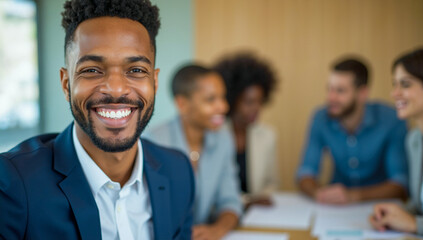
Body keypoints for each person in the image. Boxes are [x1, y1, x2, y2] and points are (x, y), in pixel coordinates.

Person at [0, 0, 195, 239]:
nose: (115, 90)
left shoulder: (179, 172)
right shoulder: (13, 183)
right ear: (66, 83)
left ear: (154, 82)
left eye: (135, 70)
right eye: (92, 70)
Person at [144, 64, 242, 240]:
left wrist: (217, 230)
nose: (223, 107)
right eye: (211, 100)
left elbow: (230, 200)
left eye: (223, 97)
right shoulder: (154, 142)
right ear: (182, 104)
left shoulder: (223, 139)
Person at [297, 57, 408, 205]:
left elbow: (400, 183)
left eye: (340, 91)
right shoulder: (320, 118)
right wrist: (319, 193)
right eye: (329, 89)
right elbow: (306, 172)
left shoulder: (392, 119)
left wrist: (353, 196)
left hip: (378, 205)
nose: (331, 97)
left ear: (362, 93)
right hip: (334, 207)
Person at [214, 53, 278, 206]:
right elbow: (213, 189)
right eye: (249, 102)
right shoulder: (213, 134)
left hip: (257, 216)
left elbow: (272, 183)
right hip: (221, 214)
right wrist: (247, 201)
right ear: (232, 100)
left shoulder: (268, 135)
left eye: (260, 101)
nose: (256, 108)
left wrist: (260, 199)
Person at [370, 48, 423, 235]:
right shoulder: (415, 140)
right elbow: (419, 205)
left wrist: (414, 224)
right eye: (394, 84)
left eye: (405, 84)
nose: (394, 93)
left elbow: (416, 221)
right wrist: (394, 214)